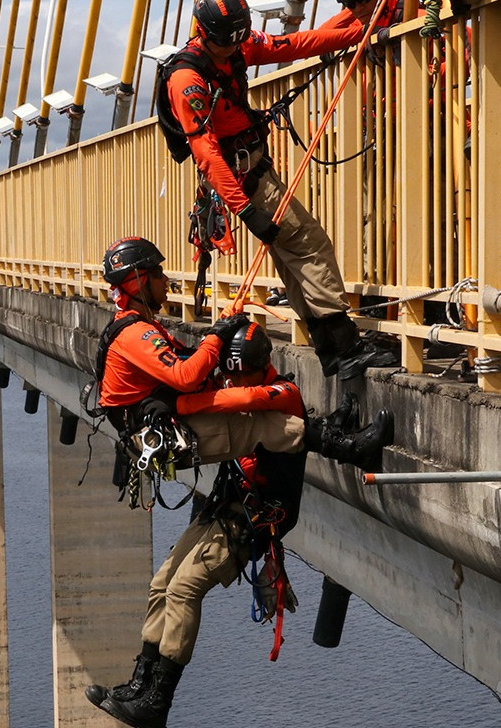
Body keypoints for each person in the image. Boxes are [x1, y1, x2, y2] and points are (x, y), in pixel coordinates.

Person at [88, 321, 319, 728]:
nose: (229, 381)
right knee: (162, 582)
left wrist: (177, 406)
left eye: (236, 372)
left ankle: (157, 702)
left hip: (262, 512)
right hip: (228, 504)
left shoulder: (282, 393)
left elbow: (239, 398)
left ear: (259, 365)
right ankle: (141, 683)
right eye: (226, 373)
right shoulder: (237, 386)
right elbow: (212, 391)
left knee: (184, 587)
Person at [159, 0, 401, 380]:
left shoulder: (238, 46)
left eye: (238, 40)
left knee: (292, 256)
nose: (234, 48)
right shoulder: (187, 79)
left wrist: (363, 30)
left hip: (251, 169)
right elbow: (205, 152)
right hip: (241, 177)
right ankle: (346, 346)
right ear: (206, 36)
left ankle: (330, 350)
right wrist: (247, 211)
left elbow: (299, 43)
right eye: (227, 43)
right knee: (310, 243)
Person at [96, 236, 395, 467]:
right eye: (158, 272)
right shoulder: (134, 334)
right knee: (258, 424)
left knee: (253, 386)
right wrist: (217, 334)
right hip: (157, 434)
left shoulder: (137, 325)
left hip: (164, 416)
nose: (165, 280)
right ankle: (354, 450)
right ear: (138, 281)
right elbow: (185, 376)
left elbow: (183, 363)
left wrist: (220, 333)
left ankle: (326, 428)